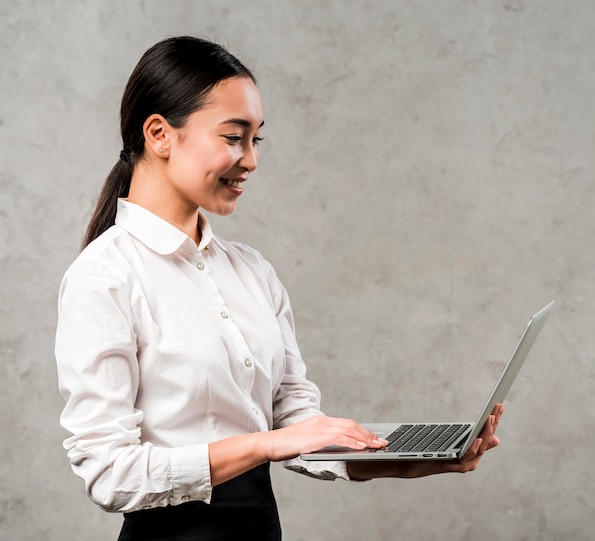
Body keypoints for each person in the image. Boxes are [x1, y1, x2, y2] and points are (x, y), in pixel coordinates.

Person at [55, 36, 503, 541]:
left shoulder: (251, 271)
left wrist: (419, 460)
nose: (250, 160)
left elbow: (298, 426)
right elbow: (110, 474)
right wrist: (264, 444)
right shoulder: (105, 276)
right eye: (233, 137)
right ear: (160, 133)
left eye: (256, 140)